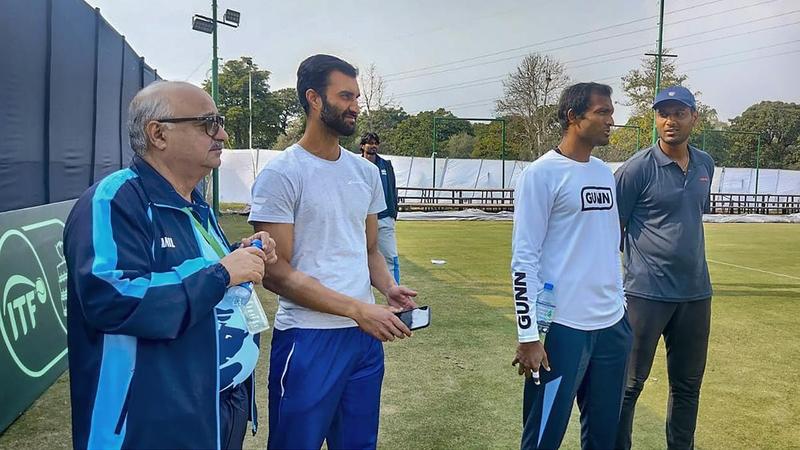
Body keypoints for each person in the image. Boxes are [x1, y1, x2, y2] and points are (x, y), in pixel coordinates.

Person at [64, 81, 278, 450]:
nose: (223, 134)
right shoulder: (112, 200)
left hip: (220, 405)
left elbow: (192, 269)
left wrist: (239, 254)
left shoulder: (194, 201)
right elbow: (113, 299)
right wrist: (223, 272)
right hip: (152, 425)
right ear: (158, 134)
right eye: (207, 123)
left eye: (220, 121)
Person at [248, 54, 418, 450]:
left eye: (357, 97)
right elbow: (276, 273)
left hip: (363, 339)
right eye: (345, 96)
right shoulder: (281, 174)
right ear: (314, 99)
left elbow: (370, 248)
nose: (356, 106)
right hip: (309, 338)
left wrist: (388, 287)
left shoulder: (365, 173)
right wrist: (357, 309)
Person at [511, 82, 633, 450]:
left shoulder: (602, 173)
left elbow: (611, 245)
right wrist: (528, 334)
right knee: (543, 435)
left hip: (612, 326)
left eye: (611, 111)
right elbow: (523, 258)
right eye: (603, 112)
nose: (612, 120)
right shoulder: (541, 174)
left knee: (604, 437)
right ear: (573, 117)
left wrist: (620, 307)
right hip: (565, 329)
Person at [614, 86, 714, 450]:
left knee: (688, 387)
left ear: (694, 118)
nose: (670, 121)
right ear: (655, 119)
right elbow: (613, 230)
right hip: (645, 294)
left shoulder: (706, 164)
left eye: (679, 113)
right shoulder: (636, 169)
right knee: (628, 386)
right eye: (663, 113)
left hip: (695, 294)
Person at [360, 131, 401, 282]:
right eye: (370, 143)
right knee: (359, 258)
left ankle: (397, 294)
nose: (374, 146)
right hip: (361, 220)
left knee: (391, 257)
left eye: (376, 143)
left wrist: (393, 213)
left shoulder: (386, 165)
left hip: (384, 218)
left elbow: (392, 188)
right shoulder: (355, 166)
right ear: (362, 146)